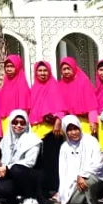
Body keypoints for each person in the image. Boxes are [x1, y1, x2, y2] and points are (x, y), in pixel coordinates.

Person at [29, 61, 66, 195]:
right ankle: (41, 189)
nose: (42, 73)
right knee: (38, 161)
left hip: (52, 130)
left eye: (45, 71)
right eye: (40, 71)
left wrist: (58, 121)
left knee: (52, 161)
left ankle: (53, 188)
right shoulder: (34, 88)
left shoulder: (54, 87)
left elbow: (61, 107)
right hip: (36, 129)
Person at [0, 109, 44, 204]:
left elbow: (30, 162)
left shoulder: (33, 140)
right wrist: (1, 169)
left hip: (30, 175)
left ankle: (31, 197)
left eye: (22, 123)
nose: (18, 125)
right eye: (15, 122)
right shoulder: (6, 140)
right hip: (13, 175)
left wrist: (7, 168)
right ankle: (16, 197)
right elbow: (5, 161)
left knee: (16, 169)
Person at [56, 115, 103, 204]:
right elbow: (63, 173)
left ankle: (91, 203)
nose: (73, 132)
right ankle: (81, 200)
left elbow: (98, 164)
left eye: (76, 128)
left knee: (88, 181)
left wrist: (82, 175)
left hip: (92, 176)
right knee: (70, 202)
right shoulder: (65, 147)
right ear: (65, 131)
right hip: (74, 182)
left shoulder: (91, 141)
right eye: (69, 130)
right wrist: (62, 199)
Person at [57, 57, 99, 135]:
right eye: (64, 69)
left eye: (68, 68)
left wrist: (93, 121)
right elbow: (60, 107)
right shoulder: (60, 85)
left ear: (73, 68)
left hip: (84, 122)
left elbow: (91, 104)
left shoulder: (84, 82)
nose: (66, 71)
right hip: (68, 123)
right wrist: (59, 121)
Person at [0, 56, 32, 127]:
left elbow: (24, 108)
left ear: (17, 67)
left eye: (11, 66)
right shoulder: (5, 84)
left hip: (17, 123)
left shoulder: (22, 85)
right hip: (4, 123)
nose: (8, 69)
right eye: (7, 66)